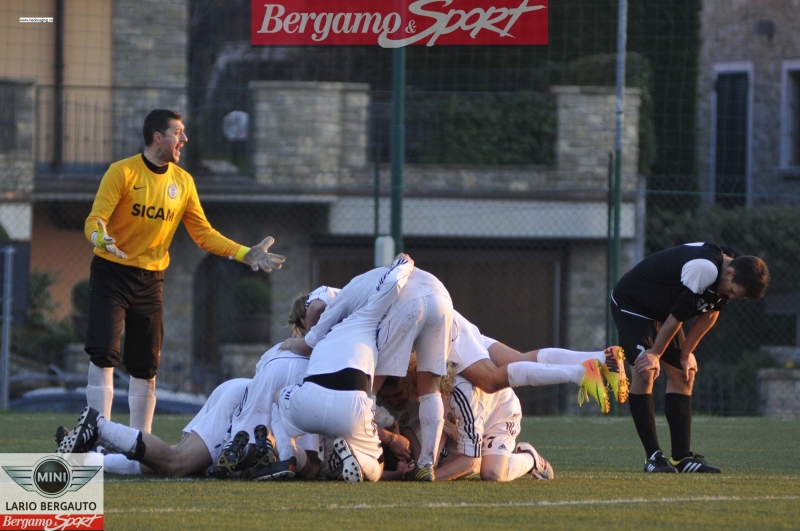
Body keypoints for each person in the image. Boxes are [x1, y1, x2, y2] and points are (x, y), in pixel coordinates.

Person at [82, 109, 285, 433]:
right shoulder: (122, 172)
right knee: (104, 353)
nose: (185, 139)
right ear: (157, 137)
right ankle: (95, 435)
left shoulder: (183, 182)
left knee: (146, 365)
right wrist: (100, 238)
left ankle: (140, 444)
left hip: (151, 279)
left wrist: (246, 254)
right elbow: (95, 219)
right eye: (178, 132)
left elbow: (203, 234)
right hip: (111, 272)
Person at [611, 242, 769, 473]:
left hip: (662, 312)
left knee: (685, 375)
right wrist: (655, 353)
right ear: (730, 273)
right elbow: (678, 316)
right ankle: (654, 457)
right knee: (646, 371)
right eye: (733, 291)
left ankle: (682, 458)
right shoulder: (705, 267)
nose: (732, 297)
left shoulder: (733, 264)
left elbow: (711, 312)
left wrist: (687, 354)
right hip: (632, 303)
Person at [272, 255, 415, 483]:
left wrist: (288, 344)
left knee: (278, 398)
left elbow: (306, 344)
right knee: (375, 471)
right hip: (350, 408)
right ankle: (358, 460)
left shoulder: (324, 324)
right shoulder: (367, 316)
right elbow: (391, 284)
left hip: (309, 401)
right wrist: (404, 264)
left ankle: (290, 457)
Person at [55, 378, 271, 479]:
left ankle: (86, 460)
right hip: (247, 398)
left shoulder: (292, 352)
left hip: (241, 389)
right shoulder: (299, 352)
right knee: (177, 462)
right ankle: (98, 427)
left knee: (166, 462)